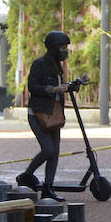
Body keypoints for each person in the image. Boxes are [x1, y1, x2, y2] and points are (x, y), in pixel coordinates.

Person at [17, 30, 81, 200]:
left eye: (66, 47)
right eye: (62, 47)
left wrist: (71, 85)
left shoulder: (57, 66)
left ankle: (48, 186)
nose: (65, 51)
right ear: (53, 48)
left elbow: (59, 86)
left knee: (55, 152)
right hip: (38, 113)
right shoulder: (39, 64)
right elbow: (33, 86)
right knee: (48, 149)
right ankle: (26, 175)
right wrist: (52, 90)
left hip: (54, 113)